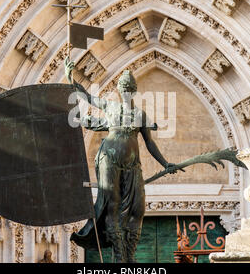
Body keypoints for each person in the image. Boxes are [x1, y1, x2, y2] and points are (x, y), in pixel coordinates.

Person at [66, 58, 181, 262]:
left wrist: (165, 163)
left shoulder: (140, 114)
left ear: (134, 90)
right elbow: (87, 96)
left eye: (129, 87)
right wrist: (70, 77)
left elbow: (150, 143)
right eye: (123, 87)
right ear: (119, 90)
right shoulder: (109, 106)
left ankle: (130, 255)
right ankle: (120, 257)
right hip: (108, 158)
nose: (126, 90)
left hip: (132, 165)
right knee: (112, 204)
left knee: (137, 208)